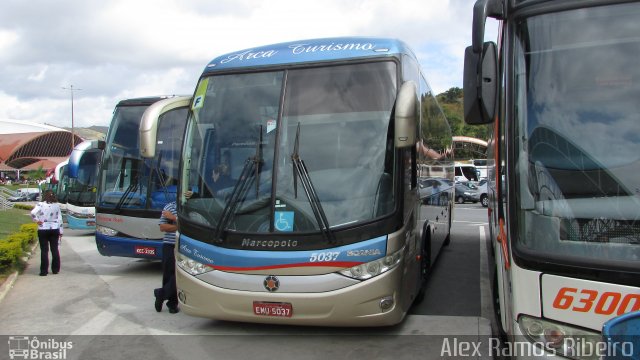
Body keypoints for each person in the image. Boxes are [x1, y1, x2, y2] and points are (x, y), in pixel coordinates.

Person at [153, 201, 179, 314]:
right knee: (169, 274)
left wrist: (173, 218)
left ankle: (161, 294)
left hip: (184, 246)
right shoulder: (169, 206)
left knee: (180, 275)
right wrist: (179, 226)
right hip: (169, 245)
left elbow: (192, 225)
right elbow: (163, 227)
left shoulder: (190, 206)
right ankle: (172, 304)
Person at [30, 189, 64, 276]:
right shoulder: (56, 205)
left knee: (44, 250)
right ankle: (55, 269)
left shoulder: (41, 204)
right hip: (54, 228)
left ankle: (44, 271)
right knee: (55, 249)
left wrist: (37, 220)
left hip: (43, 228)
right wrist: (61, 231)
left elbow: (33, 212)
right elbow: (60, 219)